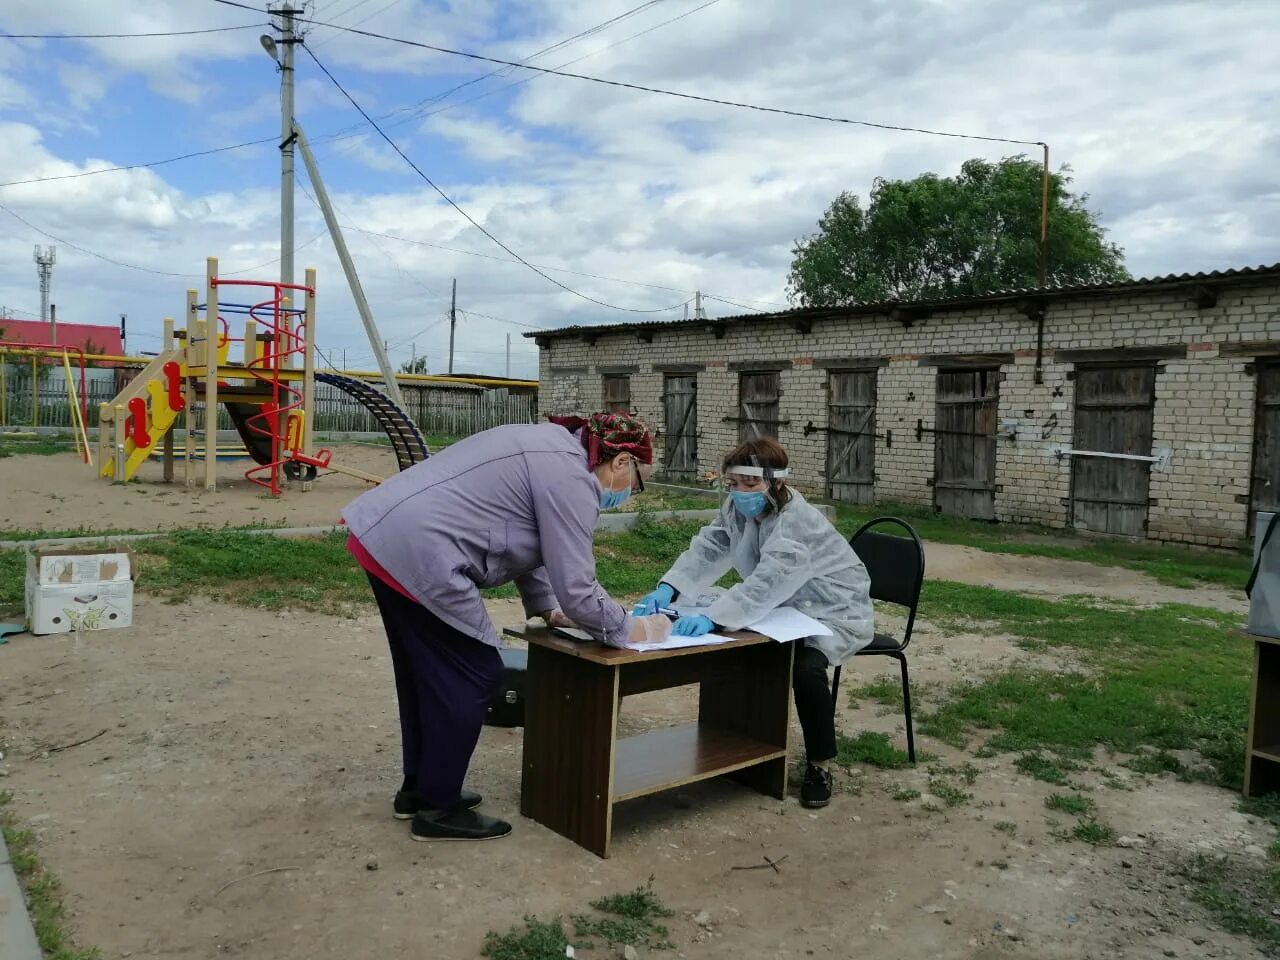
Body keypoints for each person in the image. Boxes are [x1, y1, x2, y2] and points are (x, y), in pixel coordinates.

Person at [342, 411, 665, 841]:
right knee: (474, 672)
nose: (630, 493)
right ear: (622, 461)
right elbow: (579, 587)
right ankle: (439, 809)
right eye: (637, 484)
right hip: (424, 550)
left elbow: (525, 536)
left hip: (385, 536)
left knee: (426, 674)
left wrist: (549, 608)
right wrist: (629, 630)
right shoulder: (572, 478)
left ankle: (420, 791)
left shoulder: (549, 445)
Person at [634, 437, 874, 809]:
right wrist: (669, 588)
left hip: (831, 609)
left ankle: (819, 764)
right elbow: (710, 546)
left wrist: (714, 617)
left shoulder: (798, 521)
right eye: (733, 484)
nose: (740, 492)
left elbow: (770, 582)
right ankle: (741, 746)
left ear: (776, 483)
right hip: (783, 606)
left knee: (807, 668)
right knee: (746, 653)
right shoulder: (736, 507)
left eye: (750, 484)